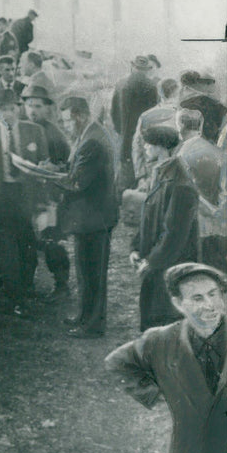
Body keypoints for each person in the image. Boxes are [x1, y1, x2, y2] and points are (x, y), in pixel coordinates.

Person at [105, 262, 227, 453]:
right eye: (197, 298)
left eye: (214, 294)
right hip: (190, 452)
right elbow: (117, 363)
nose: (210, 305)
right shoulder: (160, 340)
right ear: (177, 303)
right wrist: (155, 394)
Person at [0, 89, 49, 317]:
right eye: (3, 109)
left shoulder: (34, 131)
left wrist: (43, 202)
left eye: (13, 108)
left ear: (19, 108)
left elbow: (43, 167)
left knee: (26, 250)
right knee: (8, 251)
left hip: (24, 198)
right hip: (0, 198)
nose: (8, 114)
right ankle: (17, 300)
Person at [57, 96, 118, 338]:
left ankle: (92, 324)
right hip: (94, 216)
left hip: (93, 219)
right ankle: (84, 316)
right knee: (86, 272)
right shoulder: (90, 134)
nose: (65, 126)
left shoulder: (91, 142)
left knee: (92, 274)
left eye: (67, 121)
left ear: (80, 116)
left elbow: (77, 182)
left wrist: (46, 176)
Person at [129, 125, 198, 330]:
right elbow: (148, 218)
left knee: (168, 325)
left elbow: (173, 235)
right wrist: (135, 248)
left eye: (148, 145)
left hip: (171, 267)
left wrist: (151, 262)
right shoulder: (161, 174)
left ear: (160, 147)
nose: (145, 149)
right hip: (159, 265)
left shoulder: (180, 183)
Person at [22, 85, 71, 299]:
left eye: (38, 106)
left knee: (51, 238)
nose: (33, 110)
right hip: (26, 195)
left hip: (49, 197)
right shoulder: (21, 128)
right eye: (29, 105)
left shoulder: (54, 135)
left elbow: (66, 167)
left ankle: (61, 283)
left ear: (48, 109)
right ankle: (26, 282)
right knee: (26, 238)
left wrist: (53, 170)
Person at [176, 108, 227, 272]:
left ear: (181, 126)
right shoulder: (216, 152)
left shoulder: (181, 155)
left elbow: (186, 193)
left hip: (194, 226)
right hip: (219, 226)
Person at [111, 55, 159, 190]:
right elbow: (152, 116)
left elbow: (113, 113)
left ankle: (121, 202)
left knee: (123, 174)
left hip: (124, 138)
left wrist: (121, 132)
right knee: (141, 176)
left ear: (133, 66)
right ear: (146, 70)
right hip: (143, 139)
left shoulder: (120, 84)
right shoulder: (151, 86)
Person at [130, 77, 179, 191]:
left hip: (149, 172)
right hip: (173, 173)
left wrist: (140, 177)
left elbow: (137, 148)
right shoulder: (180, 116)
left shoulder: (146, 116)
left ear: (160, 94)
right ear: (177, 93)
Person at [179, 69, 227, 145]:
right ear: (205, 84)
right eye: (214, 83)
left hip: (195, 140)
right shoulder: (206, 101)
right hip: (207, 140)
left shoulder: (184, 102)